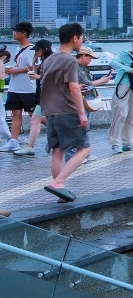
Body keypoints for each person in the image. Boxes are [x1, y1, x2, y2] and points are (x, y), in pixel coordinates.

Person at [39, 23, 91, 202]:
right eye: (81, 38)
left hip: (51, 112)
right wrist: (82, 113)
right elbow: (73, 88)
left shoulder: (48, 60)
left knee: (57, 151)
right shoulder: (70, 61)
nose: (81, 41)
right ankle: (58, 183)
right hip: (67, 110)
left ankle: (61, 192)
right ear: (75, 38)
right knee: (84, 149)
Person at [13, 40, 53, 157]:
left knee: (37, 119)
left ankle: (31, 146)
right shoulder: (45, 61)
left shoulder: (50, 61)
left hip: (48, 96)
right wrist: (33, 62)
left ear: (45, 49)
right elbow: (38, 75)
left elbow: (52, 78)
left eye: (38, 50)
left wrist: (38, 76)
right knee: (36, 119)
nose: (36, 52)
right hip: (43, 96)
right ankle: (31, 146)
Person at [4, 21, 37, 153]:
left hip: (28, 88)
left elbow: (35, 66)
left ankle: (58, 133)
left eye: (16, 32)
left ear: (24, 34)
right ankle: (13, 141)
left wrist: (16, 71)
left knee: (35, 115)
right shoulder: (18, 49)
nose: (14, 34)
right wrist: (11, 71)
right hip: (14, 87)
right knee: (16, 114)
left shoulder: (31, 49)